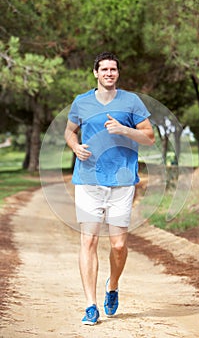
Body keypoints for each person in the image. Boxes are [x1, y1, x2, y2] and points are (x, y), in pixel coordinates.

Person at [64, 52, 155, 325]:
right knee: (88, 241)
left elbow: (149, 137)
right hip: (89, 180)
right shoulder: (81, 102)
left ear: (118, 73)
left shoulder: (131, 101)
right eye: (104, 69)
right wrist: (75, 146)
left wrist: (124, 130)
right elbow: (69, 131)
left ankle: (112, 285)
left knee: (118, 245)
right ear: (95, 73)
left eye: (113, 69)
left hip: (122, 181)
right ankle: (91, 305)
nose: (109, 73)